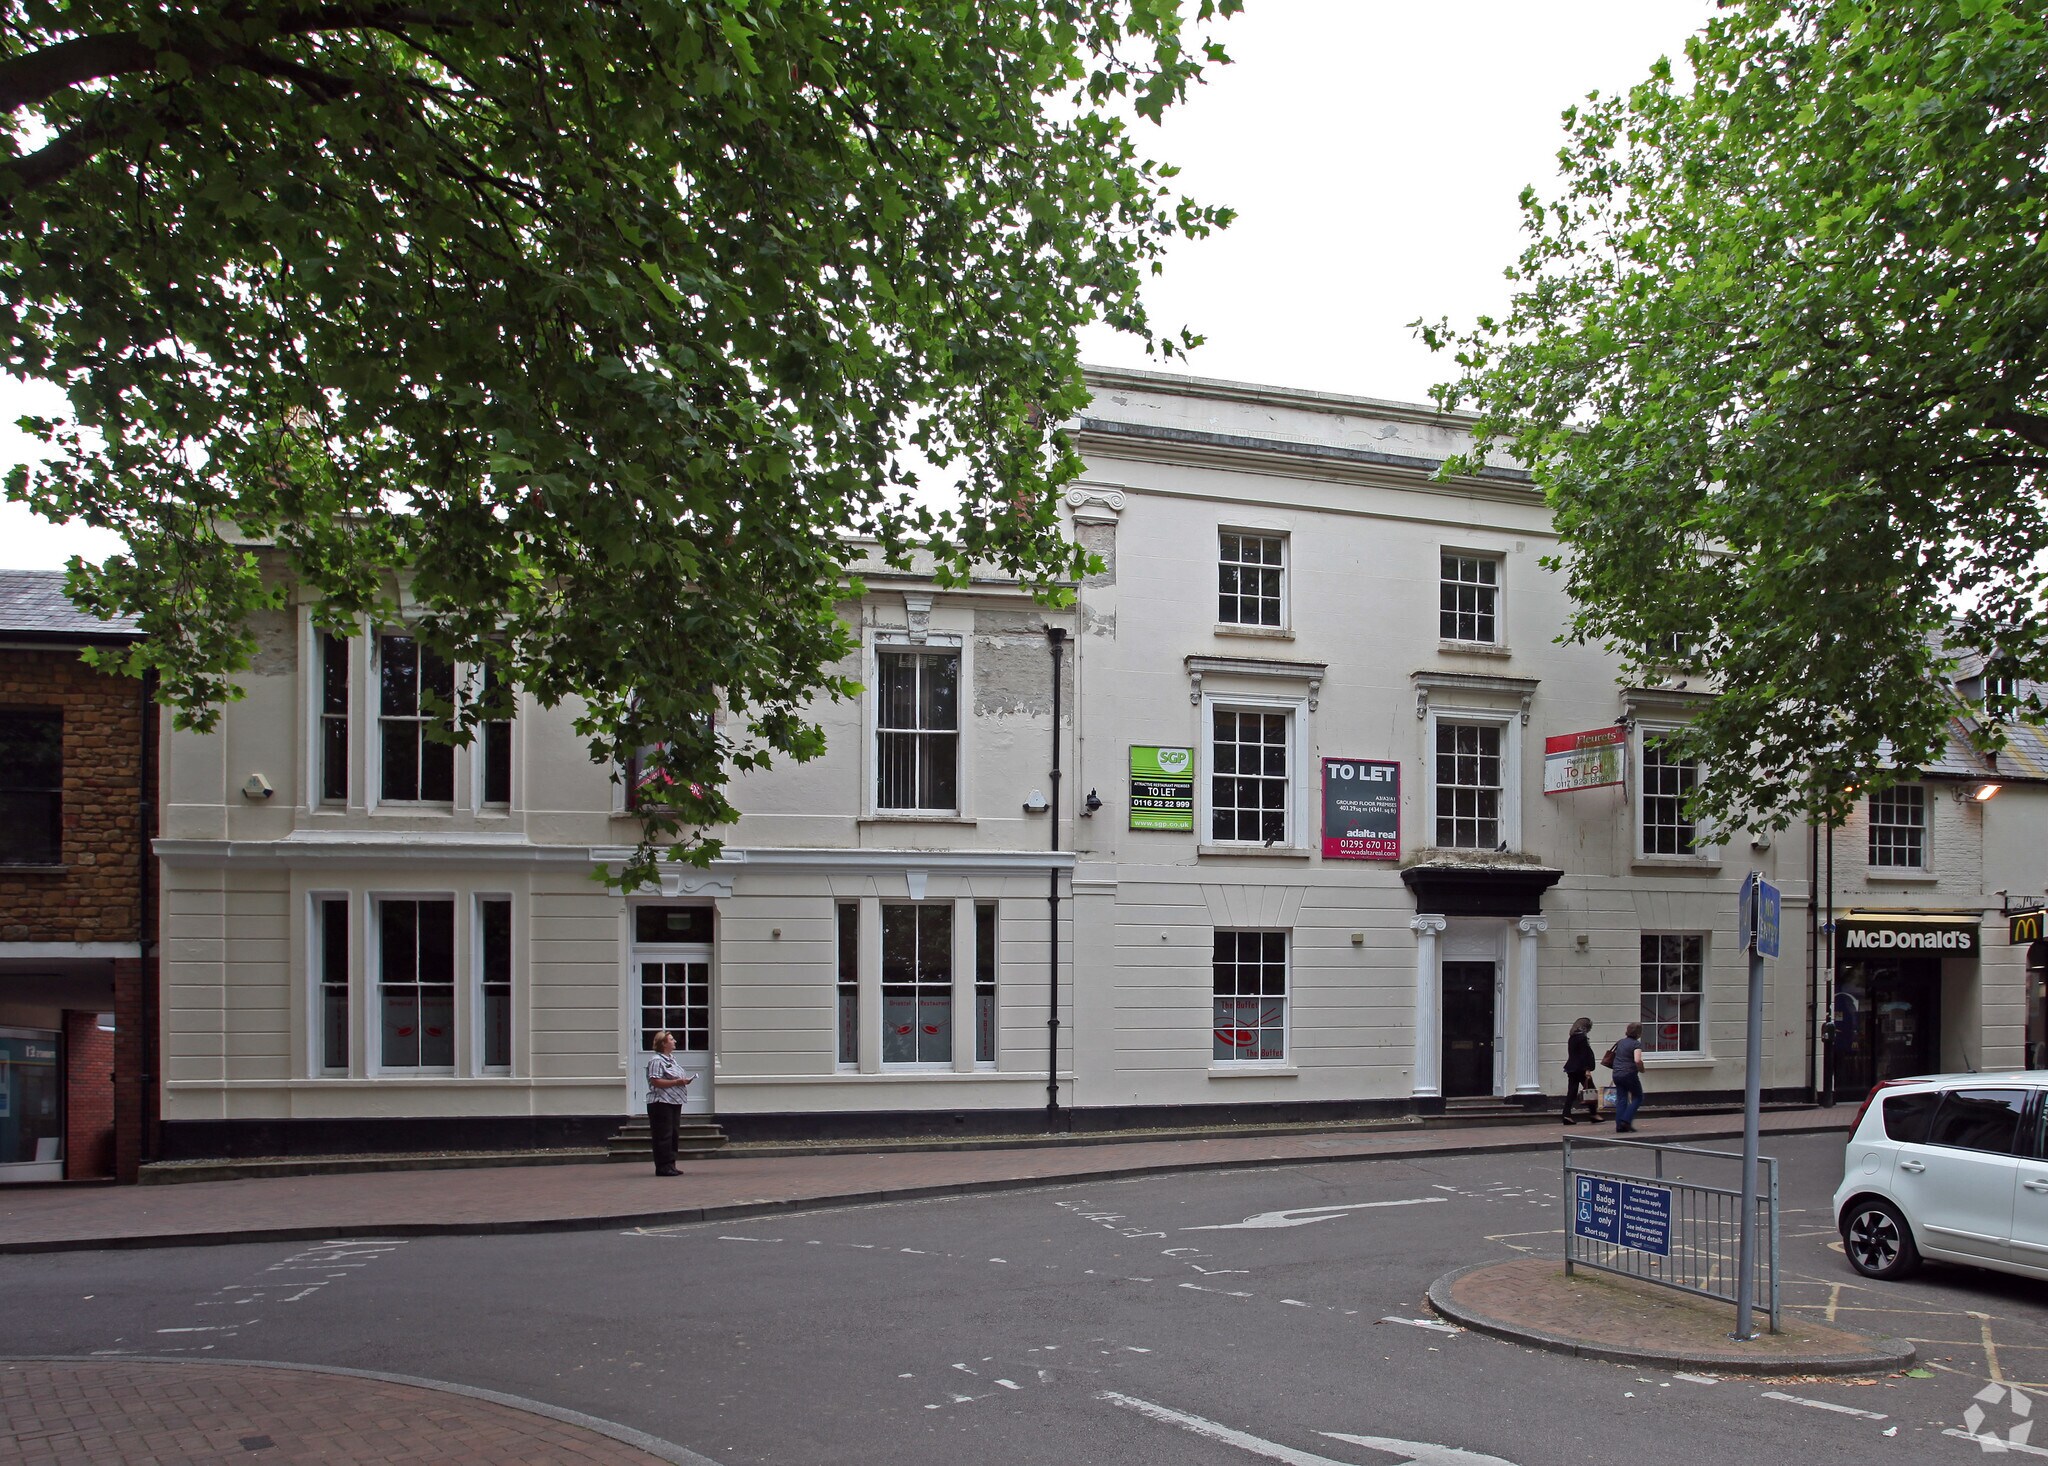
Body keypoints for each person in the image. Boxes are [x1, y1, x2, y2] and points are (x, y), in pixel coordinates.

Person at [645, 1030, 693, 1176]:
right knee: (663, 1135)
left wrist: (683, 1081)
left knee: (673, 1134)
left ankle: (671, 1164)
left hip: (674, 1101)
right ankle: (662, 1166)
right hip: (660, 1102)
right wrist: (677, 1082)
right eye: (671, 1039)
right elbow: (655, 1081)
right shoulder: (656, 1061)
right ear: (663, 1044)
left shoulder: (672, 1060)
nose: (674, 1041)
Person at [1561, 1016, 1598, 1124]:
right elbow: (1584, 1055)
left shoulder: (1572, 1037)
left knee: (1572, 1092)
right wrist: (1587, 1069)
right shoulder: (1582, 1038)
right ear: (1586, 1027)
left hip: (1571, 1068)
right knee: (1591, 1089)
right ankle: (1593, 1114)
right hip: (1581, 1068)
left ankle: (1566, 1115)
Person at [1611, 1020, 1647, 1133]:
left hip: (1617, 1073)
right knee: (1638, 1097)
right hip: (1629, 1074)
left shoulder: (1620, 1042)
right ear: (1639, 1033)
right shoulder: (1636, 1044)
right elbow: (1637, 1060)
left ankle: (1619, 1126)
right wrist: (1641, 1069)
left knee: (1622, 1099)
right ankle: (1626, 1121)